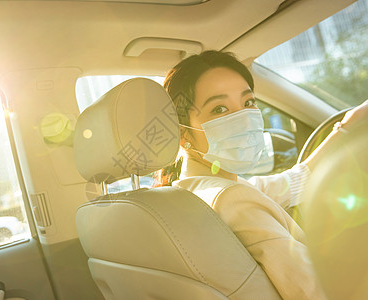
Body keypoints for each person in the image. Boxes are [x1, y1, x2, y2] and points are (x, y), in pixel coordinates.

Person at [157, 50, 367, 300]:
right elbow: (314, 292)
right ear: (183, 133)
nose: (244, 119)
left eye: (248, 103)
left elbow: (295, 181)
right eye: (220, 109)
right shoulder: (232, 198)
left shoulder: (191, 191)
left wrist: (344, 128)